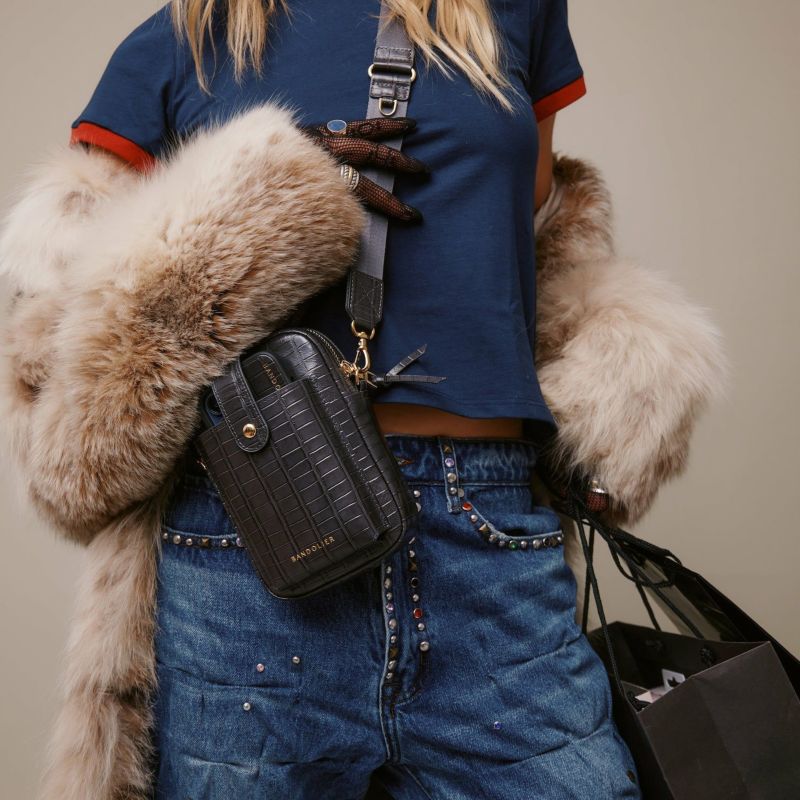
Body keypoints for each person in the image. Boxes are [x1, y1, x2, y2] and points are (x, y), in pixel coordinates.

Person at [5, 0, 675, 797]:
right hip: (249, 545)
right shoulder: (181, 38)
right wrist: (260, 200)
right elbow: (70, 346)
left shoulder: (515, 12)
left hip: (485, 530)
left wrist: (611, 392)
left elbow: (528, 232)